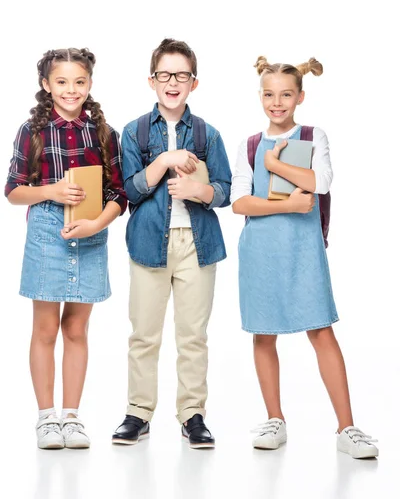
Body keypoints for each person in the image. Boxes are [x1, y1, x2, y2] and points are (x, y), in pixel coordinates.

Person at [231, 55, 378, 459]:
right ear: (260, 96)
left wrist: (276, 164)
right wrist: (288, 205)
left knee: (321, 331)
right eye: (269, 94)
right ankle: (274, 418)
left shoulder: (315, 136)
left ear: (300, 97)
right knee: (264, 334)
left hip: (303, 251)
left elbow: (322, 181)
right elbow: (239, 203)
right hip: (260, 251)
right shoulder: (248, 145)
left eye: (285, 94)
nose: (276, 102)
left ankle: (346, 427)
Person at [112, 38, 231, 449]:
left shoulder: (207, 133)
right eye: (166, 74)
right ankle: (138, 413)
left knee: (192, 335)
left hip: (197, 245)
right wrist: (162, 162)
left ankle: (192, 414)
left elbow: (225, 189)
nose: (173, 82)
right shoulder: (135, 132)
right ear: (152, 80)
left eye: (182, 75)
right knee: (144, 334)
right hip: (148, 244)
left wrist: (199, 191)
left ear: (193, 83)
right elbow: (128, 189)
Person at [5, 48, 127, 449]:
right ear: (46, 85)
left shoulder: (104, 134)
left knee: (76, 328)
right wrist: (53, 191)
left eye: (79, 82)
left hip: (92, 232)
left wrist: (97, 223)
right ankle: (46, 418)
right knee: (45, 329)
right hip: (46, 234)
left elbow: (118, 193)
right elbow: (13, 191)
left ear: (89, 84)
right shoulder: (33, 131)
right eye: (61, 82)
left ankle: (71, 417)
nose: (71, 90)